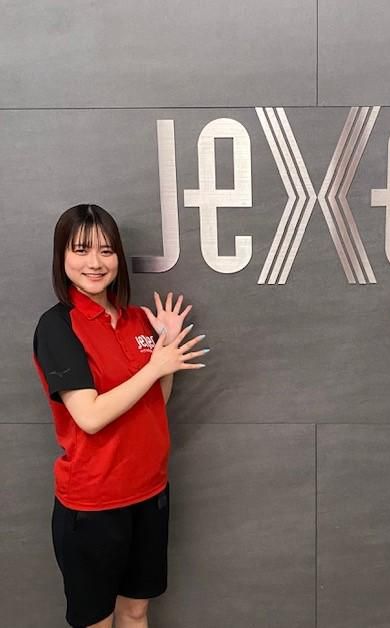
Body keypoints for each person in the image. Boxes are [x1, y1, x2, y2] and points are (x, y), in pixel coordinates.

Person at [33, 204, 207, 628]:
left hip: (149, 493)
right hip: (93, 504)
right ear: (62, 256)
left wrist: (163, 351)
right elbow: (89, 416)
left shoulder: (137, 320)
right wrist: (155, 366)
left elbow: (155, 401)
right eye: (81, 250)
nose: (95, 262)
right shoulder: (58, 327)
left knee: (136, 611)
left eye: (106, 251)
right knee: (97, 620)